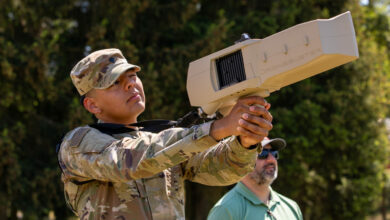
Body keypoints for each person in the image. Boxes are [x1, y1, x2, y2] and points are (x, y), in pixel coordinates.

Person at [57, 48, 273, 220]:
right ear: (92, 105)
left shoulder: (162, 140)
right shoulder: (77, 144)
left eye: (132, 76)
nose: (131, 84)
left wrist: (246, 141)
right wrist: (218, 128)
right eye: (115, 83)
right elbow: (130, 160)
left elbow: (220, 169)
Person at [207, 137, 303, 220]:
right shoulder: (225, 209)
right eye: (262, 153)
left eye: (274, 153)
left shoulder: (291, 207)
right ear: (241, 161)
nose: (272, 159)